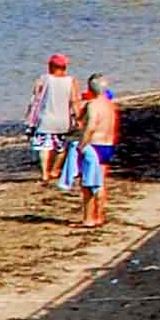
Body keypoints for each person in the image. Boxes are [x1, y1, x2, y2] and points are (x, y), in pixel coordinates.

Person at [69, 74, 117, 229]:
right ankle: (100, 216)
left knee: (88, 184)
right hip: (107, 145)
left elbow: (91, 126)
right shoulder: (110, 105)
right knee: (100, 182)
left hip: (94, 145)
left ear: (90, 88)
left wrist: (82, 145)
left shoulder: (93, 105)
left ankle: (88, 218)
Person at [25, 53, 76, 186]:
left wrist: (30, 119)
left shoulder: (44, 79)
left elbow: (35, 99)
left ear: (51, 66)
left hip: (46, 120)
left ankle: (45, 174)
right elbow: (74, 101)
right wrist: (78, 118)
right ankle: (55, 169)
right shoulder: (71, 81)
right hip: (63, 121)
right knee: (61, 148)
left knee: (44, 148)